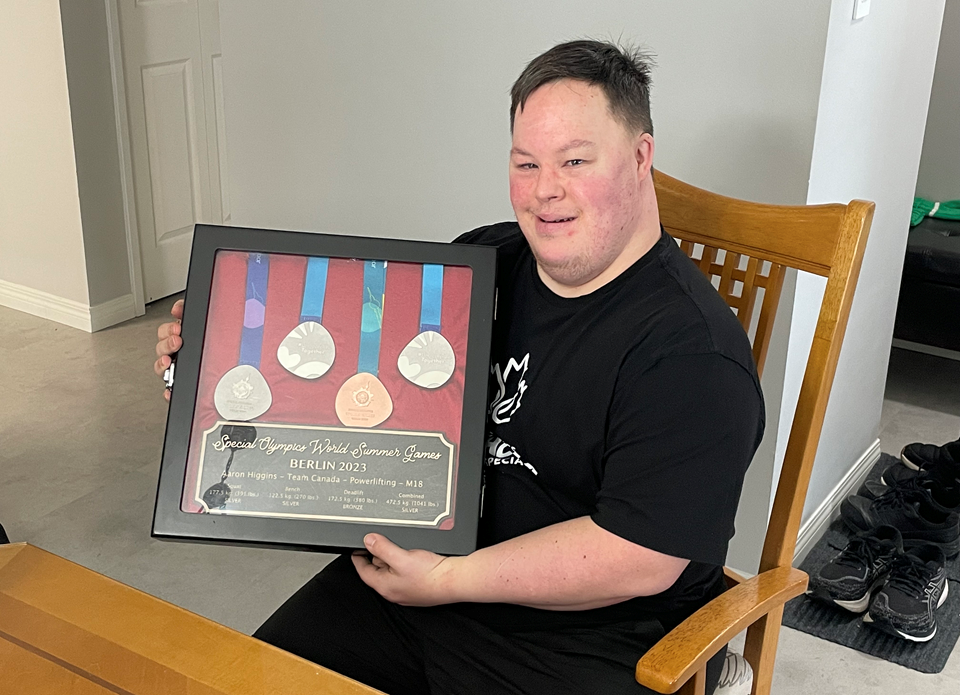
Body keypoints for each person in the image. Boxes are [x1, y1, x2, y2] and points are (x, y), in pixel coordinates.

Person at [154, 40, 764, 694]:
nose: (544, 190)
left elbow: (639, 558)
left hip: (590, 633)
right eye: (525, 163)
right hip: (426, 580)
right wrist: (209, 382)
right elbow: (365, 386)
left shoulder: (691, 352)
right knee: (241, 683)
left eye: (575, 160)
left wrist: (448, 580)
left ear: (640, 157)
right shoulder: (481, 263)